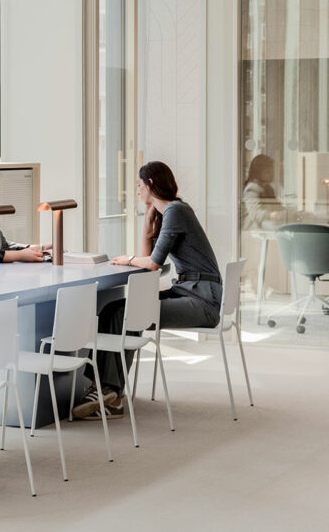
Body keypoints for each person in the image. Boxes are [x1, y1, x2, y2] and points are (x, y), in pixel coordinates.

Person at [72, 160, 223, 420]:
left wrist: (127, 259)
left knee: (130, 315)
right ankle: (102, 389)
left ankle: (112, 394)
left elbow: (152, 263)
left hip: (202, 300)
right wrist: (148, 217)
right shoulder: (170, 212)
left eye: (139, 185)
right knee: (112, 309)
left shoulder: (177, 211)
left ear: (151, 184)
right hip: (189, 291)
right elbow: (150, 257)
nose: (137, 190)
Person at [242, 154, 284, 230]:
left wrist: (288, 213)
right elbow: (255, 213)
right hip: (253, 232)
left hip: (267, 227)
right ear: (258, 173)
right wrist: (271, 215)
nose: (271, 174)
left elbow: (277, 207)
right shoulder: (252, 188)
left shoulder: (268, 188)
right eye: (267, 172)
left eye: (272, 171)